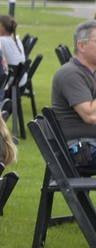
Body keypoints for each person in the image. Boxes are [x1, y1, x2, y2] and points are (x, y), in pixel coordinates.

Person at [51, 20, 96, 160]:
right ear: (81, 45)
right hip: (82, 149)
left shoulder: (90, 72)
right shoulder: (70, 74)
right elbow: (91, 116)